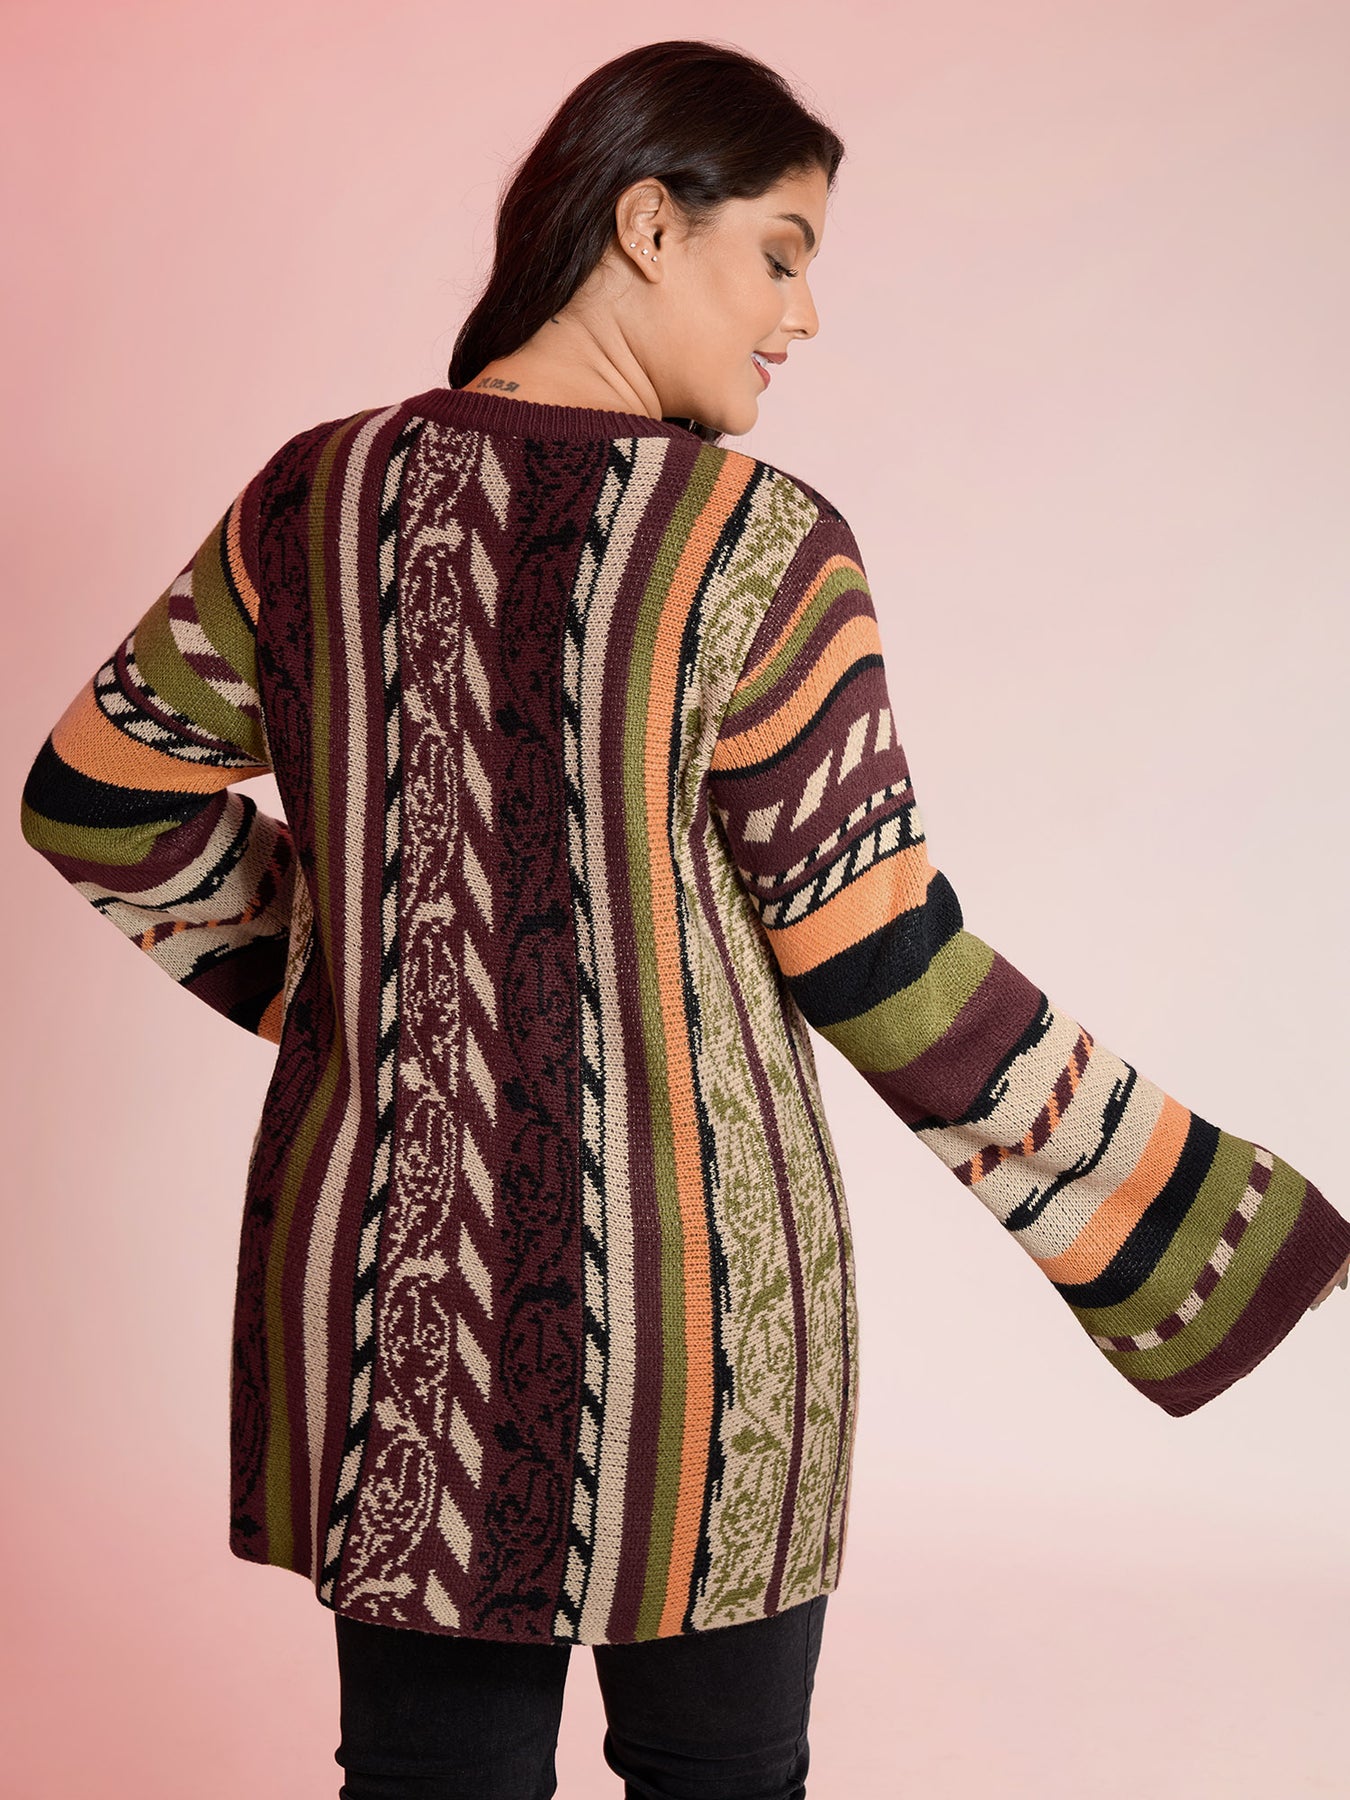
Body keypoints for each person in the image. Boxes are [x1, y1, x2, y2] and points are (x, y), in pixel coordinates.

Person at [18, 36, 1349, 1800]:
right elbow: (883, 963)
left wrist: (367, 987)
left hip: (398, 1303)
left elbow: (96, 799)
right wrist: (1213, 1230)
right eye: (779, 253)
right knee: (718, 1781)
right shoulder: (751, 543)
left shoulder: (310, 501)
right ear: (648, 223)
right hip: (709, 1324)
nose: (803, 316)